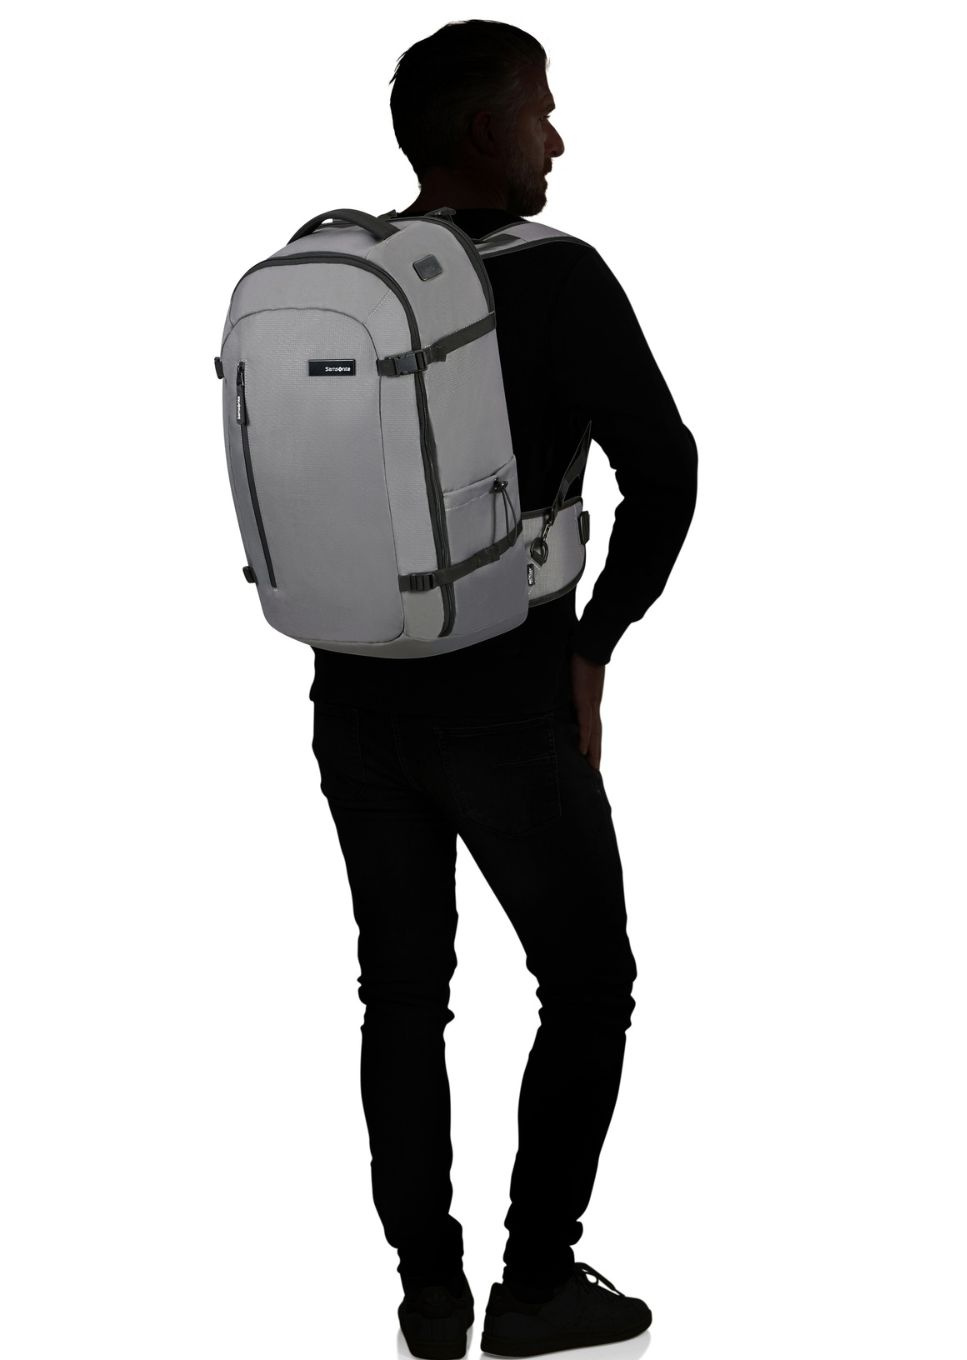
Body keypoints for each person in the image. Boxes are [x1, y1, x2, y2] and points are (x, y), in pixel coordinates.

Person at [309, 20, 698, 1359]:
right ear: (486, 131)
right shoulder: (554, 273)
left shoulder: (339, 272)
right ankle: (535, 1285)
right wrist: (596, 646)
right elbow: (666, 469)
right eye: (541, 110)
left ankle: (428, 1291)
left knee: (402, 995)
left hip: (355, 696)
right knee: (588, 983)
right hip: (508, 700)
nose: (557, 137)